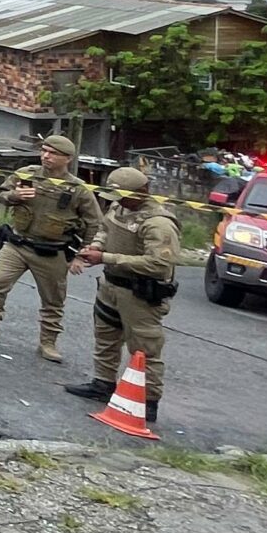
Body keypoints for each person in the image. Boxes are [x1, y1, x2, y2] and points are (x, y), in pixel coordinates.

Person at [0, 132, 104, 360]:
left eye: (52, 153)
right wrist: (14, 195)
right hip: (18, 243)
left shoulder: (77, 189)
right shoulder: (26, 174)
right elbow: (1, 195)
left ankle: (48, 343)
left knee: (53, 300)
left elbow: (93, 223)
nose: (45, 156)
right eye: (44, 151)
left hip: (52, 250)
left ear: (67, 158)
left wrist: (81, 255)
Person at [66, 166, 181, 425]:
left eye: (122, 197)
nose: (116, 202)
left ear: (140, 193)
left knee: (144, 347)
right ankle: (102, 383)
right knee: (105, 336)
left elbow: (158, 263)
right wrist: (95, 246)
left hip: (140, 292)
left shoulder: (158, 223)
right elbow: (104, 230)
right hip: (111, 284)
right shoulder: (119, 208)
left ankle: (147, 401)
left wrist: (105, 257)